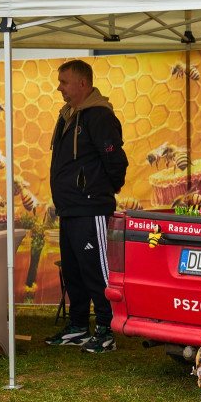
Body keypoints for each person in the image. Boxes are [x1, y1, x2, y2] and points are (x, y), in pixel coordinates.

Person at [45, 60, 128, 353]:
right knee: (73, 271)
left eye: (64, 82)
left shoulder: (99, 116)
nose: (60, 88)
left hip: (91, 207)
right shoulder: (67, 115)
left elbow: (115, 159)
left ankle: (106, 328)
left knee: (96, 271)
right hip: (69, 208)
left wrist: (104, 190)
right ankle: (79, 325)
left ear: (82, 83)